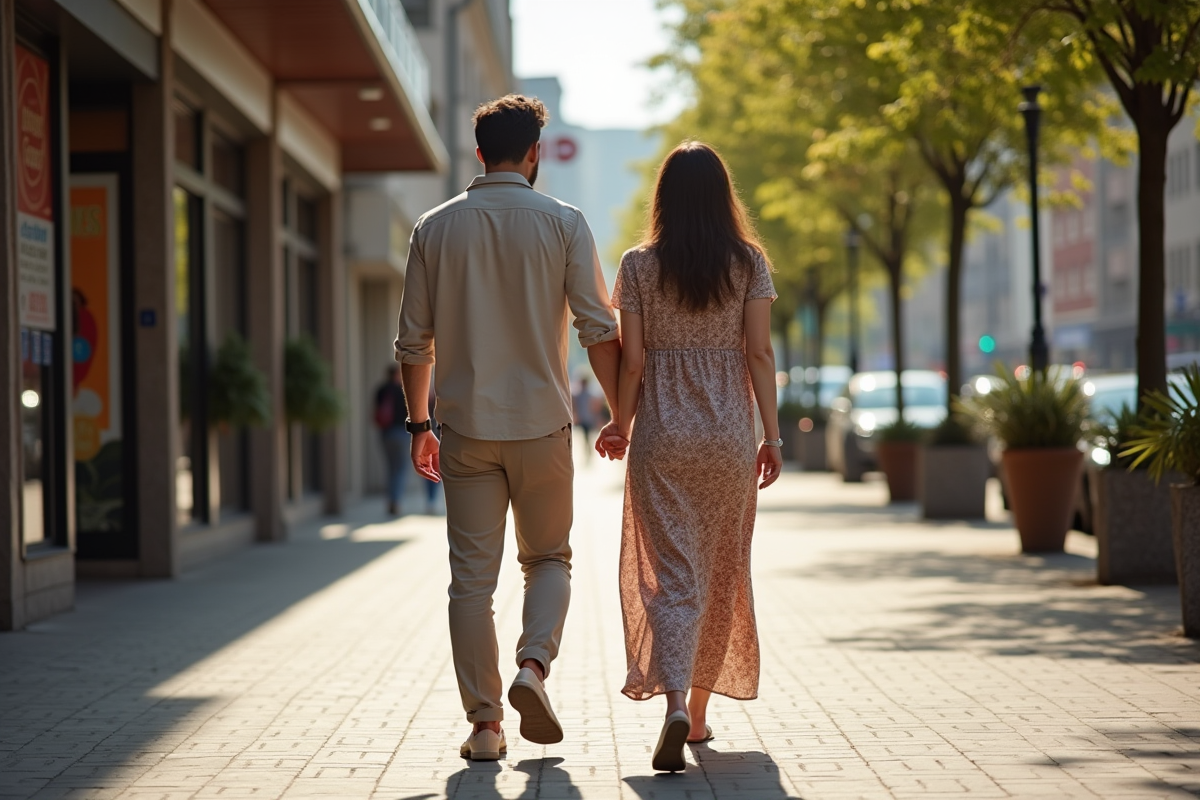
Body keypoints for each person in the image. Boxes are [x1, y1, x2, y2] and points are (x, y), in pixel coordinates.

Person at [394, 94, 622, 762]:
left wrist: (418, 426)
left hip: (464, 431)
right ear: (534, 154)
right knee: (548, 559)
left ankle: (486, 727)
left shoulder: (434, 228)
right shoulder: (565, 222)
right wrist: (619, 414)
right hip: (544, 427)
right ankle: (533, 667)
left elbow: (414, 344)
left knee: (471, 583)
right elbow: (598, 327)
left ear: (477, 154)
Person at [601, 141, 782, 773]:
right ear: (722, 195)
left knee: (672, 576)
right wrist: (772, 436)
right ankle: (700, 718)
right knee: (720, 572)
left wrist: (620, 423)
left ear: (664, 198)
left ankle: (675, 702)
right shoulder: (749, 262)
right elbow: (759, 354)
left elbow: (632, 360)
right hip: (729, 436)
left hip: (662, 438)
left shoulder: (638, 265)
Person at [374, 365, 408, 516]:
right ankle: (395, 500)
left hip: (385, 433)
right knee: (400, 468)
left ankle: (390, 500)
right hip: (400, 432)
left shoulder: (381, 390)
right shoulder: (403, 390)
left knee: (390, 468)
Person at [571, 376, 600, 455]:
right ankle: (588, 450)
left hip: (587, 418)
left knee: (587, 435)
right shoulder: (582, 395)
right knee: (586, 435)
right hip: (584, 418)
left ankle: (588, 450)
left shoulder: (584, 395)